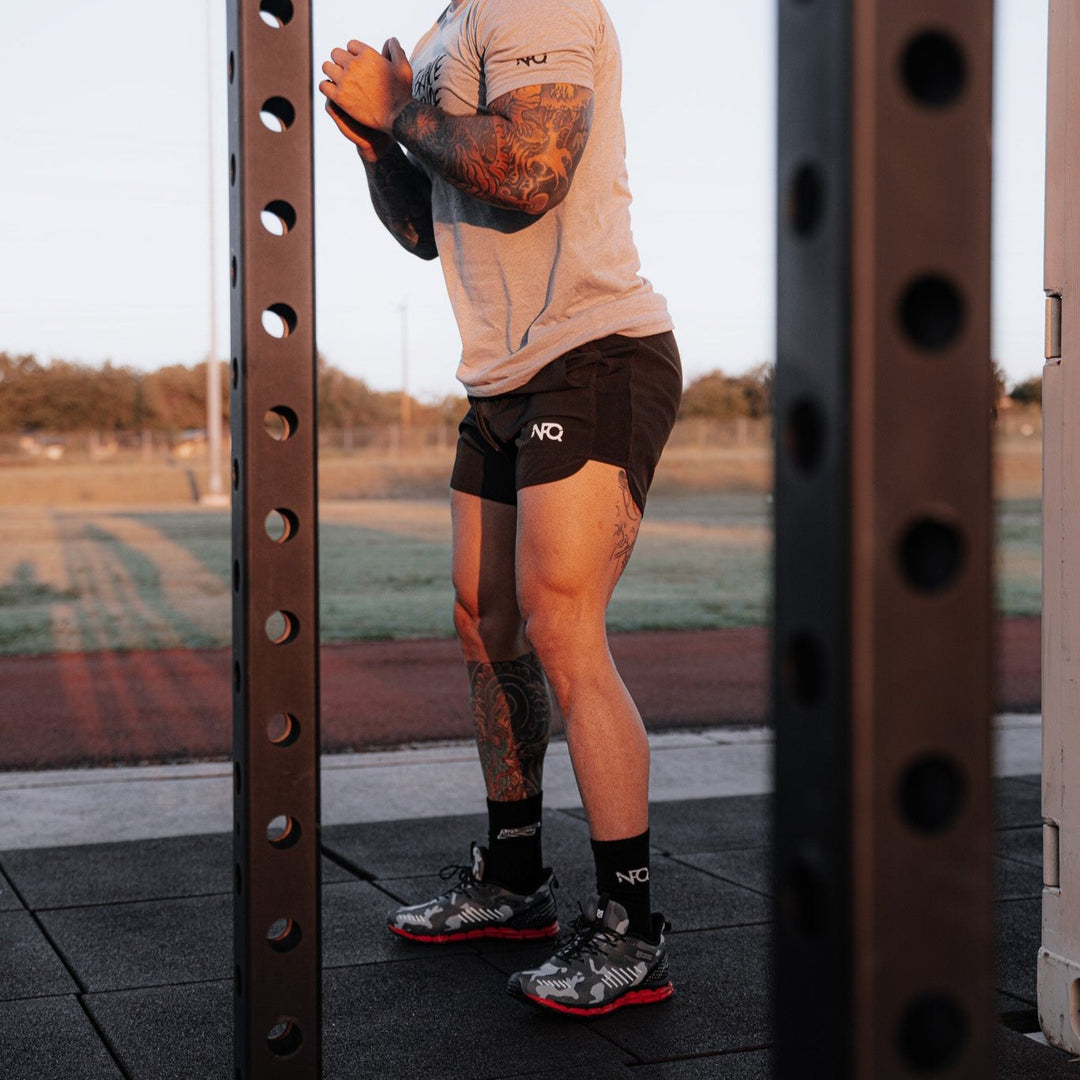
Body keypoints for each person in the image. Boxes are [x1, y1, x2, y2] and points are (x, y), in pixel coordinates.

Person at [319, 0, 682, 1017]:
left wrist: (401, 107)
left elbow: (531, 174)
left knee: (564, 624)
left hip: (595, 352)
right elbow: (425, 232)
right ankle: (515, 876)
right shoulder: (446, 31)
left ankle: (631, 930)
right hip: (500, 377)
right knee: (483, 618)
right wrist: (376, 141)